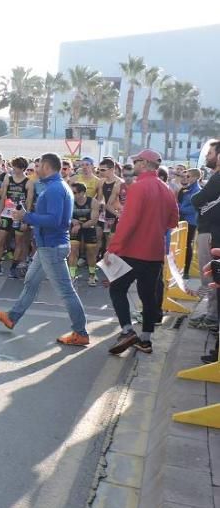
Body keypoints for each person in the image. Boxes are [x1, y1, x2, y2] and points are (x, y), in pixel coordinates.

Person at [0, 153, 90, 346]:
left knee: (66, 292)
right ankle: (12, 317)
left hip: (52, 247)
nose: (35, 169)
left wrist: (26, 217)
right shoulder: (57, 186)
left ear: (46, 166)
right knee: (30, 282)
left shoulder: (54, 188)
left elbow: (55, 220)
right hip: (48, 246)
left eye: (37, 166)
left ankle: (81, 332)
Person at [106, 149, 179, 355]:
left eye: (136, 161)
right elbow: (173, 221)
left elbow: (128, 223)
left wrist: (113, 249)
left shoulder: (138, 188)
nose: (134, 164)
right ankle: (145, 340)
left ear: (145, 164)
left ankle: (128, 330)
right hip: (154, 253)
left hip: (132, 251)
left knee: (117, 289)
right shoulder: (166, 189)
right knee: (148, 296)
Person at [190, 140, 220, 332]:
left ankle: (212, 316)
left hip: (211, 232)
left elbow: (198, 199)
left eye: (210, 154)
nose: (207, 157)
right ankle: (211, 313)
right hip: (211, 230)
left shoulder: (218, 178)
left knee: (210, 275)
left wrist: (197, 201)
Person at [0, 157, 33, 277]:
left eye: (16, 167)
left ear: (23, 168)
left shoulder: (28, 182)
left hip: (19, 215)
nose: (14, 169)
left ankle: (13, 267)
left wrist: (26, 220)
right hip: (6, 214)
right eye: (13, 166)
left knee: (19, 241)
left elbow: (29, 202)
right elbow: (3, 198)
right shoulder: (8, 179)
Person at [68, 182, 100, 285]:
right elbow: (66, 216)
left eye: (74, 192)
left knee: (91, 252)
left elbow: (94, 220)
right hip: (75, 228)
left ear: (82, 193)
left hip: (88, 227)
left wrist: (80, 226)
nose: (72, 194)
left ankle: (92, 275)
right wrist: (73, 220)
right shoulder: (70, 201)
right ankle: (72, 275)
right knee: (73, 250)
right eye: (71, 192)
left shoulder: (93, 202)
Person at [178, 168, 202, 279]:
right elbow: (181, 203)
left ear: (196, 177)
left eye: (189, 176)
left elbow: (194, 208)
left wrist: (179, 210)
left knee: (187, 245)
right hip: (183, 219)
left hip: (191, 222)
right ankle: (180, 268)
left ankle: (186, 271)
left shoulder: (197, 190)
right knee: (181, 245)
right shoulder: (187, 189)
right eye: (186, 176)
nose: (187, 178)